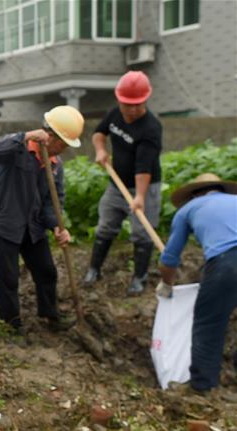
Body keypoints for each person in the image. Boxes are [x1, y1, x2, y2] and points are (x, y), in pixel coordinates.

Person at [0, 105, 83, 333]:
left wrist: (57, 226)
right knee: (7, 278)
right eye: (63, 144)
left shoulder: (56, 165)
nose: (64, 149)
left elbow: (53, 201)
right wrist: (25, 136)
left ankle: (50, 315)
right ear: (49, 136)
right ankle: (11, 324)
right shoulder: (16, 150)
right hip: (4, 224)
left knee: (47, 271)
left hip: (33, 227)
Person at [156, 173, 237, 393]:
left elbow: (169, 259)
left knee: (208, 324)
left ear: (193, 195)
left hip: (228, 261)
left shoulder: (187, 210)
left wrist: (167, 283)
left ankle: (201, 387)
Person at [85, 70, 163, 294]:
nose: (131, 110)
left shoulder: (151, 128)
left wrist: (139, 197)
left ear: (145, 101)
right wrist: (101, 150)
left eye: (137, 105)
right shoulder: (114, 115)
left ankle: (140, 278)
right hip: (116, 184)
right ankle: (94, 269)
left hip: (144, 187)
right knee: (106, 225)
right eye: (127, 104)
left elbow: (144, 168)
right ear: (119, 100)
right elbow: (99, 133)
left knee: (141, 232)